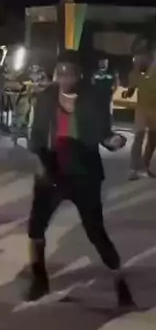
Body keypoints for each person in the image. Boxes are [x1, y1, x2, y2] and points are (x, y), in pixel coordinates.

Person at [26, 50, 133, 307]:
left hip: (85, 172)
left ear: (80, 74)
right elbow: (37, 134)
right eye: (60, 73)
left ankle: (119, 280)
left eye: (70, 73)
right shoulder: (46, 97)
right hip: (52, 170)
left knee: (96, 231)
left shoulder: (94, 97)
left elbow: (103, 133)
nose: (64, 78)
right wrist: (40, 162)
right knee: (36, 228)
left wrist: (113, 141)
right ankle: (39, 278)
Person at [123, 39, 156, 180]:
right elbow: (131, 89)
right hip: (142, 109)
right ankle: (133, 169)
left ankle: (144, 166)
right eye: (135, 58)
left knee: (153, 139)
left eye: (140, 58)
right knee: (138, 137)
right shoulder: (134, 73)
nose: (136, 61)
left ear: (149, 56)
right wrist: (127, 93)